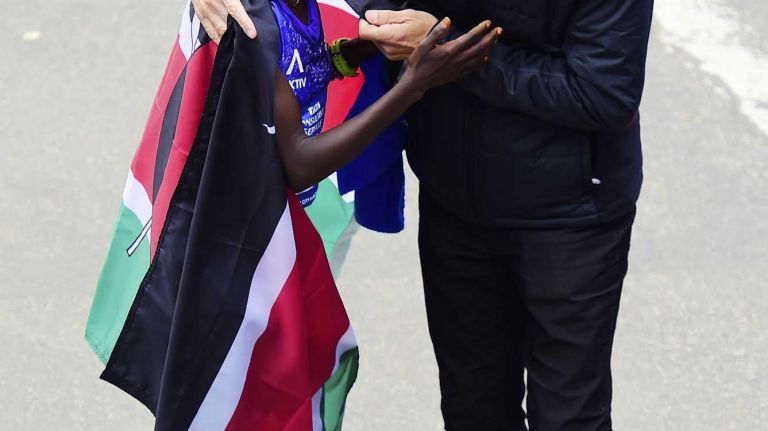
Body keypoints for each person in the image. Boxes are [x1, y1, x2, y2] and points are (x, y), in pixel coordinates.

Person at [194, 0, 653, 430]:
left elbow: (603, 92)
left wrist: (444, 55)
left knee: (569, 416)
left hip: (571, 218)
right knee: (472, 409)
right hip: (453, 202)